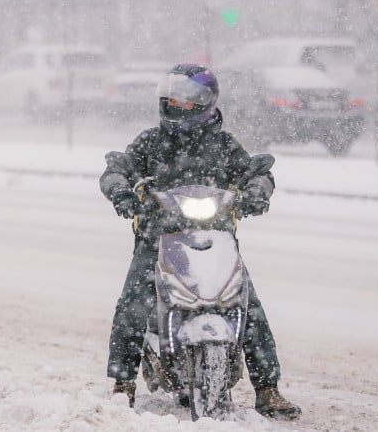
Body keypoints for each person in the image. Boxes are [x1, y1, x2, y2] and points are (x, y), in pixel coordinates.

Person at [99, 63, 302, 420]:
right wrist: (120, 190)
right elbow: (117, 167)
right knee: (132, 305)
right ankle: (122, 385)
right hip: (157, 238)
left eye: (187, 100)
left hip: (217, 236)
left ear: (206, 102)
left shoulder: (223, 145)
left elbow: (259, 172)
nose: (178, 106)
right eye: (172, 99)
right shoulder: (151, 141)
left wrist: (257, 192)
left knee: (248, 305)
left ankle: (268, 389)